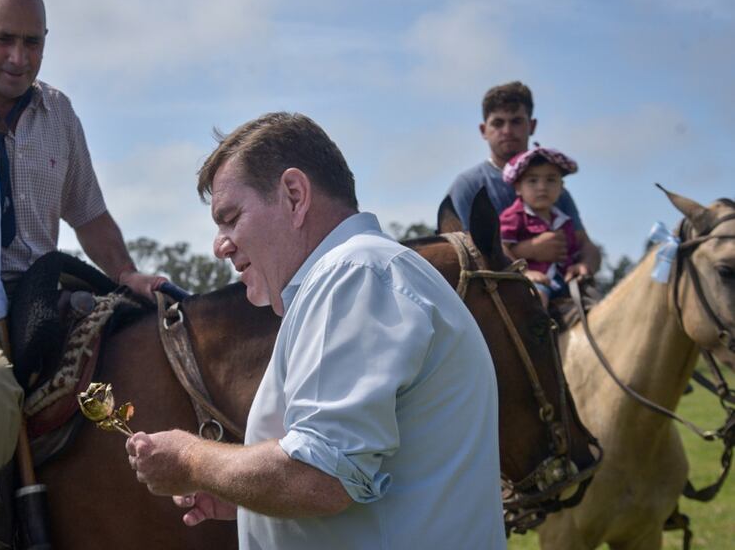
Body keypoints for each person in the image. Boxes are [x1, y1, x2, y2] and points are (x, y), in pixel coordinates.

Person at [126, 112, 506, 549]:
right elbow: (358, 474)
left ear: (294, 195)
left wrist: (192, 460)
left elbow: (320, 477)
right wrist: (246, 495)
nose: (219, 246)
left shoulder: (353, 275)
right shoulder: (370, 273)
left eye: (230, 217)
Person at [0, 0, 166, 470]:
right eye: (3, 39)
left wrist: (127, 273)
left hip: (39, 291)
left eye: (32, 42)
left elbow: (89, 213)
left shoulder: (58, 112)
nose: (18, 57)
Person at [447, 81, 601, 274]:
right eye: (498, 123)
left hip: (563, 289)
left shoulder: (554, 188)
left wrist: (585, 266)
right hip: (496, 291)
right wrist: (528, 251)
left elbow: (586, 245)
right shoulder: (468, 186)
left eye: (516, 121)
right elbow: (459, 256)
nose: (507, 131)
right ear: (483, 130)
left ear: (532, 125)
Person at [500, 146, 590, 306]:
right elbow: (501, 247)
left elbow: (573, 250)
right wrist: (524, 272)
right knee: (537, 299)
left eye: (551, 180)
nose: (542, 187)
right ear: (518, 187)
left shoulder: (564, 220)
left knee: (596, 301)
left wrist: (577, 266)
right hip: (533, 281)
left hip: (565, 280)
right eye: (532, 180)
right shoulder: (513, 217)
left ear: (562, 187)